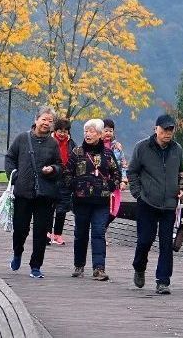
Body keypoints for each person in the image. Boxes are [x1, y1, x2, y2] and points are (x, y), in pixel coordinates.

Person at [128, 113, 183, 295]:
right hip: (147, 202)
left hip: (169, 204)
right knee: (145, 240)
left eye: (171, 130)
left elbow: (181, 174)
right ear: (156, 129)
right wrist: (138, 194)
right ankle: (139, 266)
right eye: (164, 130)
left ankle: (163, 281)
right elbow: (132, 172)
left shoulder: (177, 150)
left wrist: (181, 189)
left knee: (166, 244)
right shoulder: (142, 147)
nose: (167, 133)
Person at [5, 106, 63, 279]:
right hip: (23, 192)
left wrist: (52, 169)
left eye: (50, 121)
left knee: (41, 232)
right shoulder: (22, 138)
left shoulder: (53, 144)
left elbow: (60, 166)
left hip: (44, 195)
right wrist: (14, 176)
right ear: (36, 119)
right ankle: (17, 253)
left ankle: (36, 265)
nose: (46, 123)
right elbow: (9, 158)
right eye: (44, 119)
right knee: (20, 229)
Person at [66, 119, 121, 281]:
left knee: (98, 233)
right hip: (81, 200)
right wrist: (74, 185)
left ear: (99, 134)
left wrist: (110, 185)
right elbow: (67, 173)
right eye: (86, 131)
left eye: (91, 131)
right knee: (80, 234)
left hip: (101, 202)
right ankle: (79, 264)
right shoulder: (77, 152)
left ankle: (99, 268)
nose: (88, 134)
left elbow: (117, 174)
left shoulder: (108, 154)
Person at [48, 117, 75, 246]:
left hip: (66, 179)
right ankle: (47, 233)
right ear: (55, 130)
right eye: (60, 130)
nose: (62, 133)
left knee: (62, 208)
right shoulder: (49, 140)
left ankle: (58, 234)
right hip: (51, 178)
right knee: (49, 207)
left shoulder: (72, 144)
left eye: (65, 131)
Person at [102, 118, 129, 245]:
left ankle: (102, 228)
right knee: (103, 209)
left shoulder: (117, 147)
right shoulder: (96, 145)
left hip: (115, 183)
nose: (108, 133)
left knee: (114, 210)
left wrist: (124, 180)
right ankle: (101, 232)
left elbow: (123, 164)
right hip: (101, 184)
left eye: (110, 131)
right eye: (105, 130)